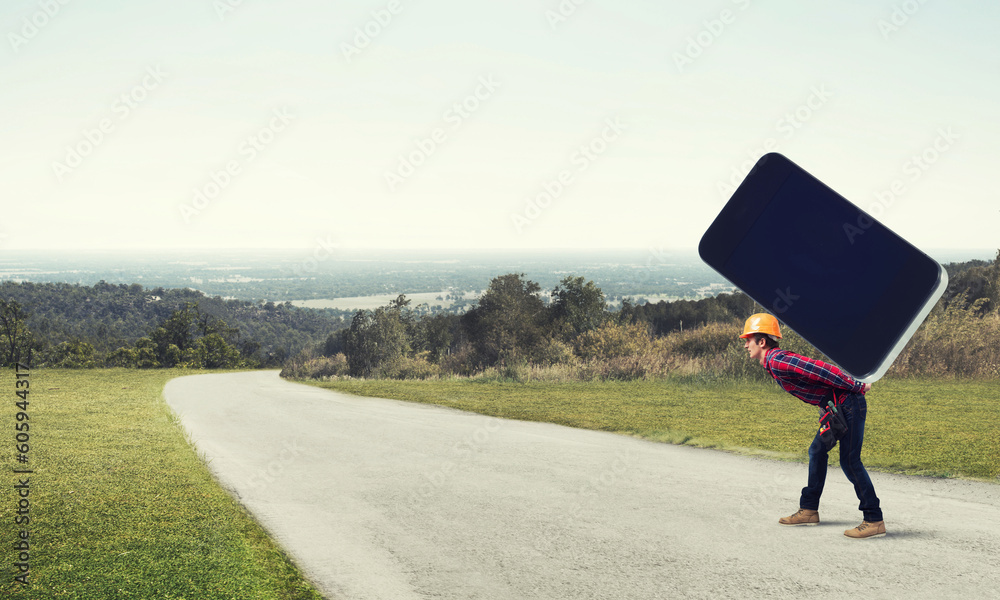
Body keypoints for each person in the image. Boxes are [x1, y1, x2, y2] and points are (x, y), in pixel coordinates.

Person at [740, 313, 886, 539]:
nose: (745, 344)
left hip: (848, 403)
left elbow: (821, 370)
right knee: (816, 451)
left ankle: (874, 519)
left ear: (761, 342)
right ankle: (809, 510)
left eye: (748, 339)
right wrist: (825, 408)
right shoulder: (772, 362)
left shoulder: (778, 360)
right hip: (837, 407)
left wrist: (856, 386)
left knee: (850, 461)